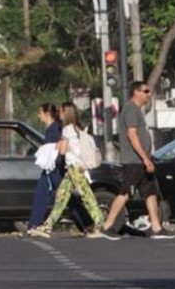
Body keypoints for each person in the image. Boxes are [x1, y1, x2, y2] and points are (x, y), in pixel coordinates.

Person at [100, 81, 173, 239]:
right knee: (125, 192)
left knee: (150, 193)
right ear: (136, 93)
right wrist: (145, 159)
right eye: (146, 91)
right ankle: (107, 226)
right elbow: (132, 136)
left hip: (142, 162)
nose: (149, 94)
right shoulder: (131, 109)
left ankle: (156, 227)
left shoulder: (137, 111)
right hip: (135, 161)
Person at [41, 103, 115, 239]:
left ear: (66, 112)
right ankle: (47, 226)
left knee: (87, 196)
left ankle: (100, 225)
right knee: (62, 198)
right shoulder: (74, 129)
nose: (59, 113)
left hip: (74, 167)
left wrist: (58, 148)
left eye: (61, 111)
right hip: (73, 168)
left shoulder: (67, 130)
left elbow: (63, 150)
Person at [24, 102, 62, 238]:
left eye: (40, 112)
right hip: (49, 168)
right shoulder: (51, 129)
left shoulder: (55, 129)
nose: (38, 116)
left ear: (47, 114)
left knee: (66, 197)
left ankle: (88, 222)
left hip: (55, 168)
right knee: (41, 192)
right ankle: (34, 224)